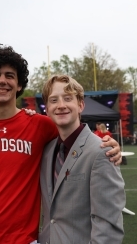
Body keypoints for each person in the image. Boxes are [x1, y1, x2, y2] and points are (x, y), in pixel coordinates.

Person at [0, 44, 122, 244]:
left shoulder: (39, 125)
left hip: (21, 239)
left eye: (10, 75)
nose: (2, 81)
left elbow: (73, 134)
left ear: (20, 85)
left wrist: (104, 142)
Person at [39, 75, 125, 243]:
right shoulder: (47, 151)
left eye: (68, 98)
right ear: (47, 109)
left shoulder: (101, 152)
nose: (61, 105)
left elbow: (108, 227)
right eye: (54, 100)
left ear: (80, 105)